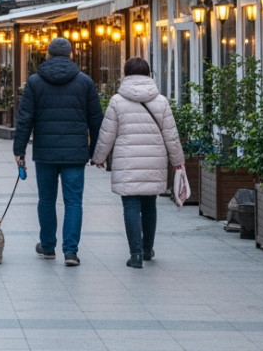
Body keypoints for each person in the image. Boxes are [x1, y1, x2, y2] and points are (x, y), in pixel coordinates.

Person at [12, 37, 103, 266]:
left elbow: (25, 119)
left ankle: (48, 246)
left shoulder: (34, 82)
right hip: (75, 153)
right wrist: (94, 151)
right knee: (73, 202)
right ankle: (70, 252)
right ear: (70, 55)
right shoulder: (85, 82)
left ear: (48, 55)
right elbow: (96, 119)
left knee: (46, 200)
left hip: (45, 153)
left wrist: (19, 150)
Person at [92, 57, 184, 269]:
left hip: (127, 163)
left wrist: (99, 157)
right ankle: (146, 249)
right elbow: (171, 135)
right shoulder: (161, 101)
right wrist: (178, 162)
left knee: (131, 207)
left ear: (126, 74)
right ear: (148, 74)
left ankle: (135, 255)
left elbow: (108, 134)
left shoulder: (117, 101)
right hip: (154, 162)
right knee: (149, 205)